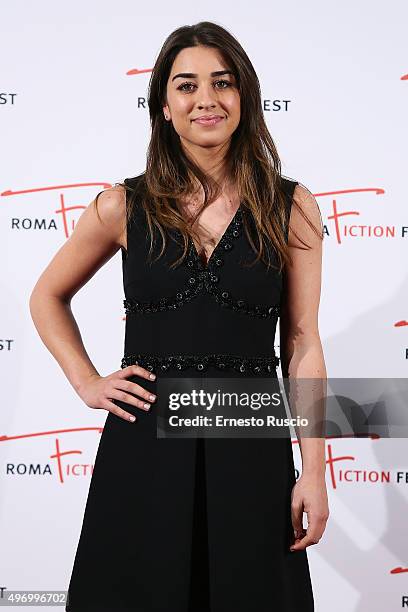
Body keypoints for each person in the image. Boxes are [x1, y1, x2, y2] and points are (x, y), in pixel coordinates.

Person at [29, 20, 329, 612]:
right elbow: (46, 296)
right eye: (186, 85)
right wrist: (88, 381)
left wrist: (314, 470)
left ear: (244, 96)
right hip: (144, 444)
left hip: (250, 443)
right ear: (164, 105)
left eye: (222, 82)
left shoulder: (290, 205)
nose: (206, 100)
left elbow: (302, 341)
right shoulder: (121, 204)